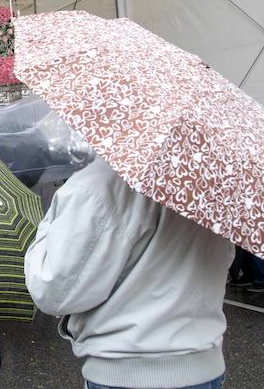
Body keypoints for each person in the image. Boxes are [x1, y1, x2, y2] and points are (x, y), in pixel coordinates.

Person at [25, 157, 233, 389]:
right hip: (206, 365)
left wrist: (46, 226)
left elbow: (53, 290)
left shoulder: (102, 178)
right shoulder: (210, 179)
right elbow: (223, 259)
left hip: (127, 370)